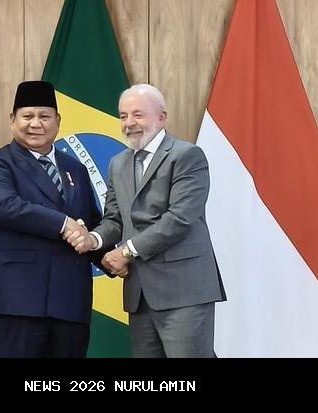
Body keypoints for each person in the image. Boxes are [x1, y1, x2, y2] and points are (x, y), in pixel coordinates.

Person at [65, 84, 226, 358]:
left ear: (162, 117)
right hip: (139, 294)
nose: (129, 123)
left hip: (184, 290)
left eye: (138, 114)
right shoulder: (118, 163)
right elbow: (115, 219)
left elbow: (180, 218)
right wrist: (94, 239)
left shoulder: (186, 156)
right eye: (123, 116)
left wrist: (126, 251)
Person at [0, 80, 101, 357]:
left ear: (58, 121)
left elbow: (91, 223)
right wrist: (64, 224)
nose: (36, 124)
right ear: (12, 120)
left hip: (70, 302)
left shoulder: (76, 169)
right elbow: (3, 206)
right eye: (27, 116)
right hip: (18, 300)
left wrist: (114, 255)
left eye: (44, 116)